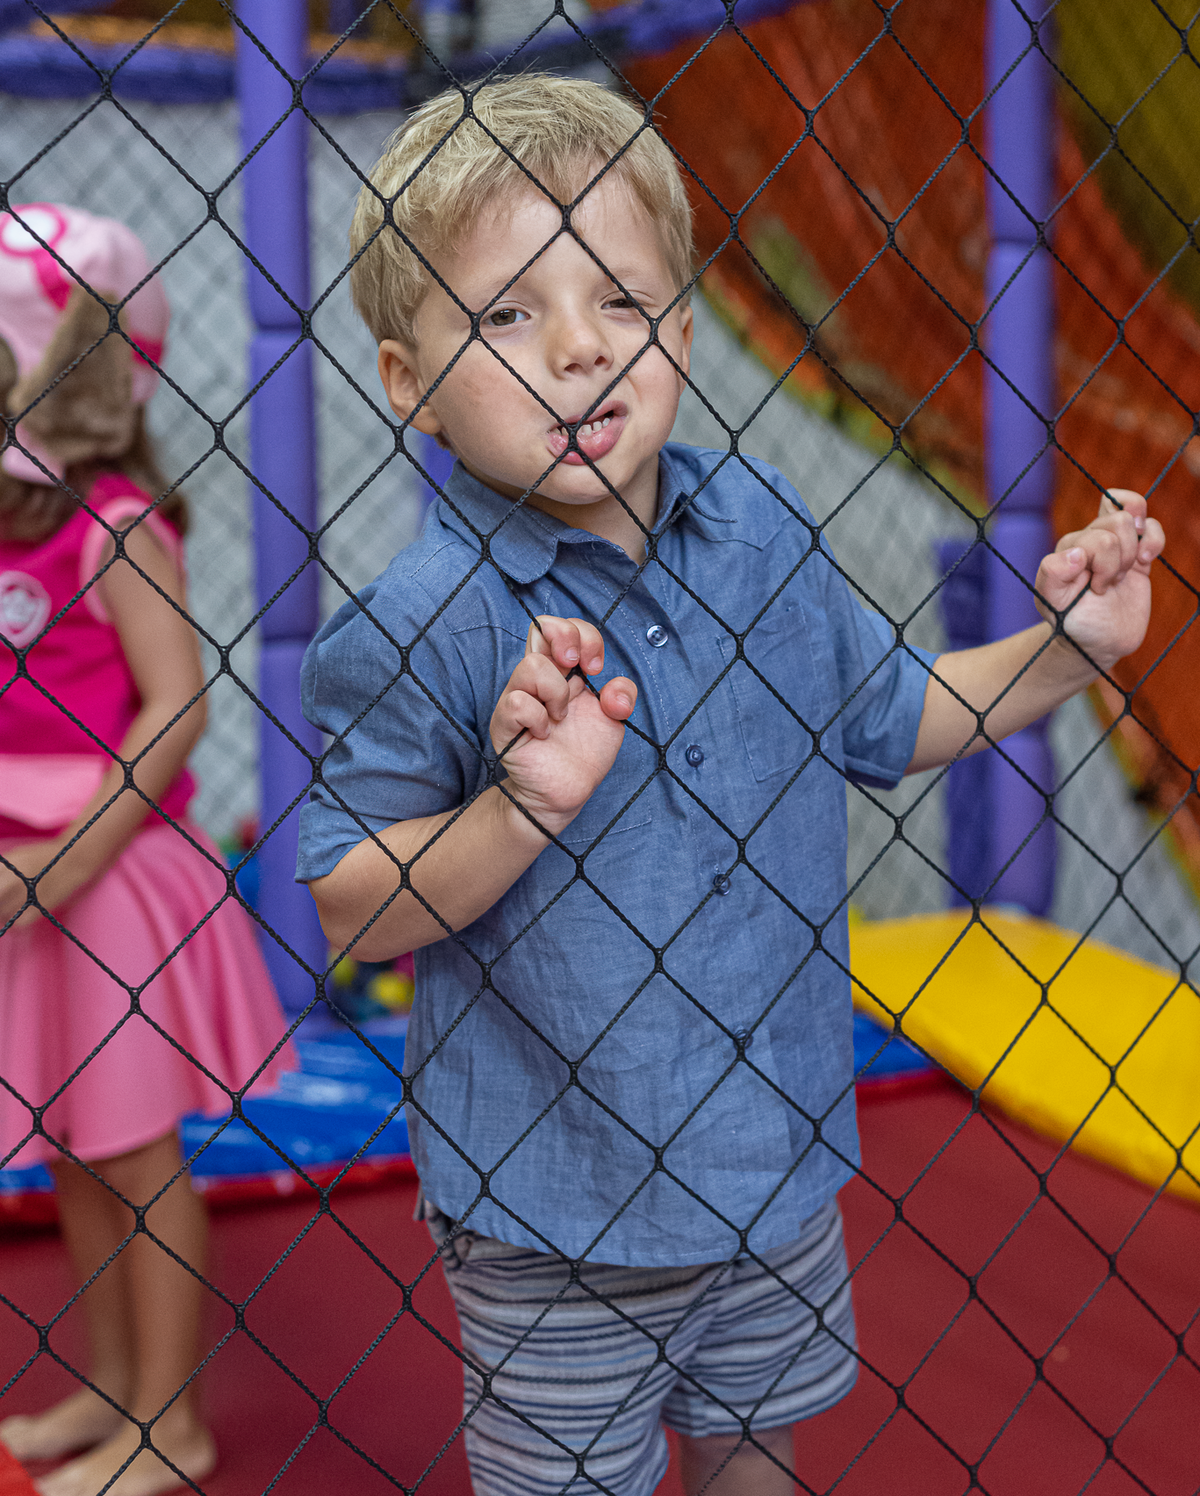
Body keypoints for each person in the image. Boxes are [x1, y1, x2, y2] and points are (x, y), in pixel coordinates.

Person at [298, 77, 1164, 1496]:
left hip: (775, 1160)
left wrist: (1072, 651)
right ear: (411, 383)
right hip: (554, 1209)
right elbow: (349, 902)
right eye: (510, 314)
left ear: (685, 335)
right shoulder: (425, 616)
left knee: (758, 1454)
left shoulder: (759, 523)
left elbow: (893, 713)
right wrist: (516, 808)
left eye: (623, 303)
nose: (580, 349)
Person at [0, 205, 291, 1496]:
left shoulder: (113, 521)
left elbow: (180, 704)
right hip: (26, 870)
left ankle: (171, 1423)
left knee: (131, 1148)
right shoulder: (14, 525)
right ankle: (118, 1386)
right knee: (71, 1141)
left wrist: (67, 856)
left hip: (102, 875)